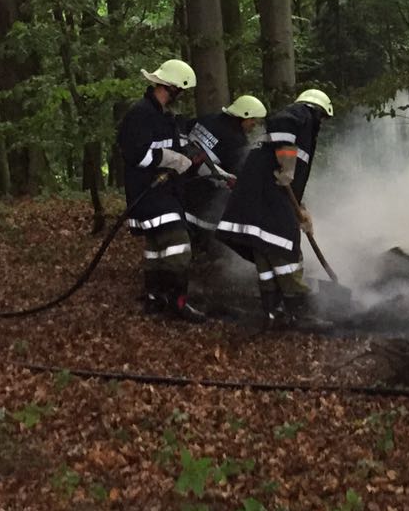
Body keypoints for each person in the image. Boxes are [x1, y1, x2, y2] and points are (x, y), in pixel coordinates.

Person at [217, 88, 333, 328]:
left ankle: (273, 311)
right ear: (317, 111)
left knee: (265, 248)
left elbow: (289, 179)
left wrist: (301, 210)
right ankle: (300, 314)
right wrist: (287, 163)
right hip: (267, 198)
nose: (321, 123)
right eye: (322, 117)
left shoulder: (298, 130)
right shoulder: (301, 114)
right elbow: (282, 124)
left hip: (260, 198)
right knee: (285, 248)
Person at [115, 58, 204, 322]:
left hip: (161, 193)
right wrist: (173, 159)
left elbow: (169, 147)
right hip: (150, 193)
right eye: (181, 90)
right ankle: (177, 301)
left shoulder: (162, 115)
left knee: (156, 248)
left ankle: (155, 298)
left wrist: (185, 158)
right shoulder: (141, 114)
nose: (182, 95)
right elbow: (136, 154)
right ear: (172, 87)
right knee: (179, 246)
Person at [181, 94, 266, 254]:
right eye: (253, 119)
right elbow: (240, 175)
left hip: (178, 187)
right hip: (201, 201)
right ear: (243, 116)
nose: (254, 124)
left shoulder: (207, 119)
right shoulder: (236, 141)